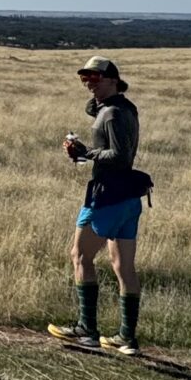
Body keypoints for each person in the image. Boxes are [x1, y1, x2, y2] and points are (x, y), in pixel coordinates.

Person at [50, 56, 147, 353]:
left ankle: (86, 330)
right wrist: (83, 151)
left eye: (96, 77)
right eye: (85, 78)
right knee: (123, 266)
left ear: (114, 80)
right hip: (129, 197)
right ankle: (126, 338)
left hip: (107, 195)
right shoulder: (121, 108)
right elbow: (94, 110)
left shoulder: (113, 113)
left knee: (80, 256)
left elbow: (119, 156)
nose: (89, 83)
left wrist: (87, 153)